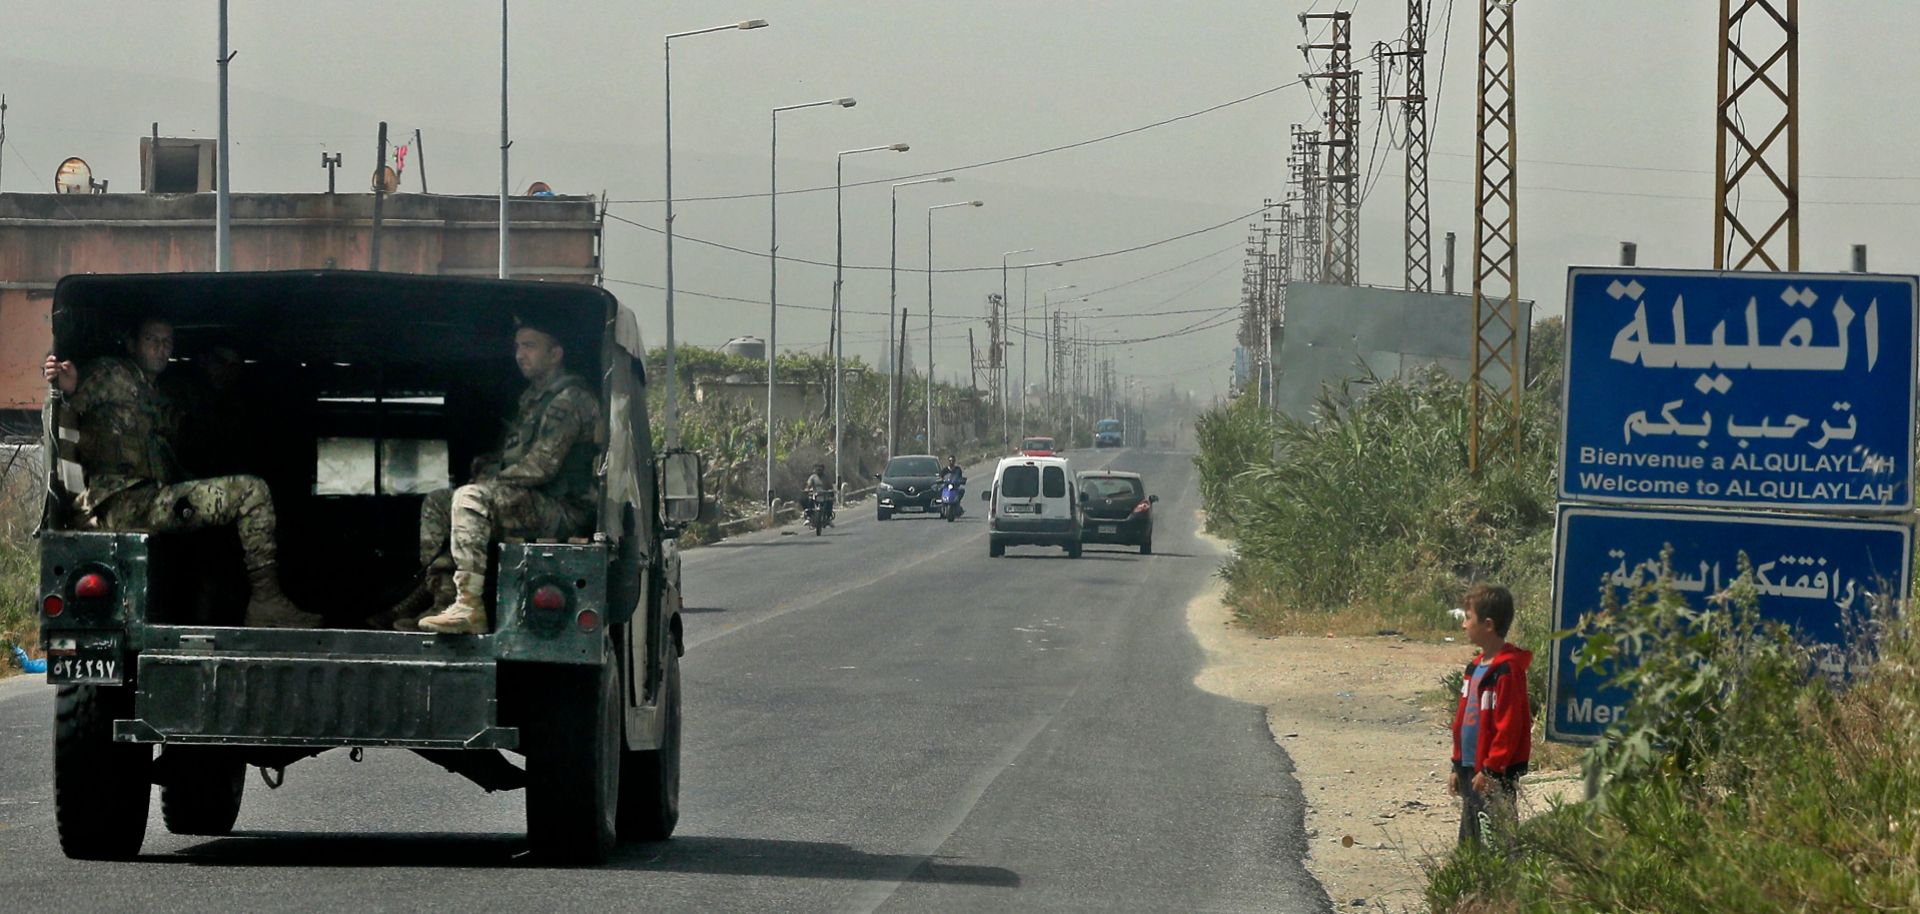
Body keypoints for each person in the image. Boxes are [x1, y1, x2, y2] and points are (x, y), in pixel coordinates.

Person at [42, 317, 320, 628]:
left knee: (219, 525)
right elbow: (70, 398)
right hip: (120, 503)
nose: (161, 349)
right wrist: (66, 385)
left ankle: (219, 613)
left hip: (150, 499)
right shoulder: (110, 373)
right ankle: (266, 603)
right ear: (132, 344)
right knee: (251, 492)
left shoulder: (162, 394)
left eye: (167, 343)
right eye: (152, 340)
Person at [386, 320, 602, 635]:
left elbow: (542, 467)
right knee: (438, 502)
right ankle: (444, 600)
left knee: (470, 498)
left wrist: (489, 483)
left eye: (530, 346)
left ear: (555, 354)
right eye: (517, 346)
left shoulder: (570, 398)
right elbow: (515, 458)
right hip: (532, 502)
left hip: (564, 510)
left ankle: (469, 606)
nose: (519, 355)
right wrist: (488, 468)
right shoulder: (533, 399)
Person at [1448, 583, 1533, 846]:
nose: (1464, 625)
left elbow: (1508, 727)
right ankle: (1470, 884)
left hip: (1492, 772)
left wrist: (1492, 770)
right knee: (1471, 833)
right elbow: (1463, 719)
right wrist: (1456, 765)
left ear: (1487, 625)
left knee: (1496, 836)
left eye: (1468, 618)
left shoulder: (1507, 671)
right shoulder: (1474, 668)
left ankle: (1500, 886)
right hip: (1469, 766)